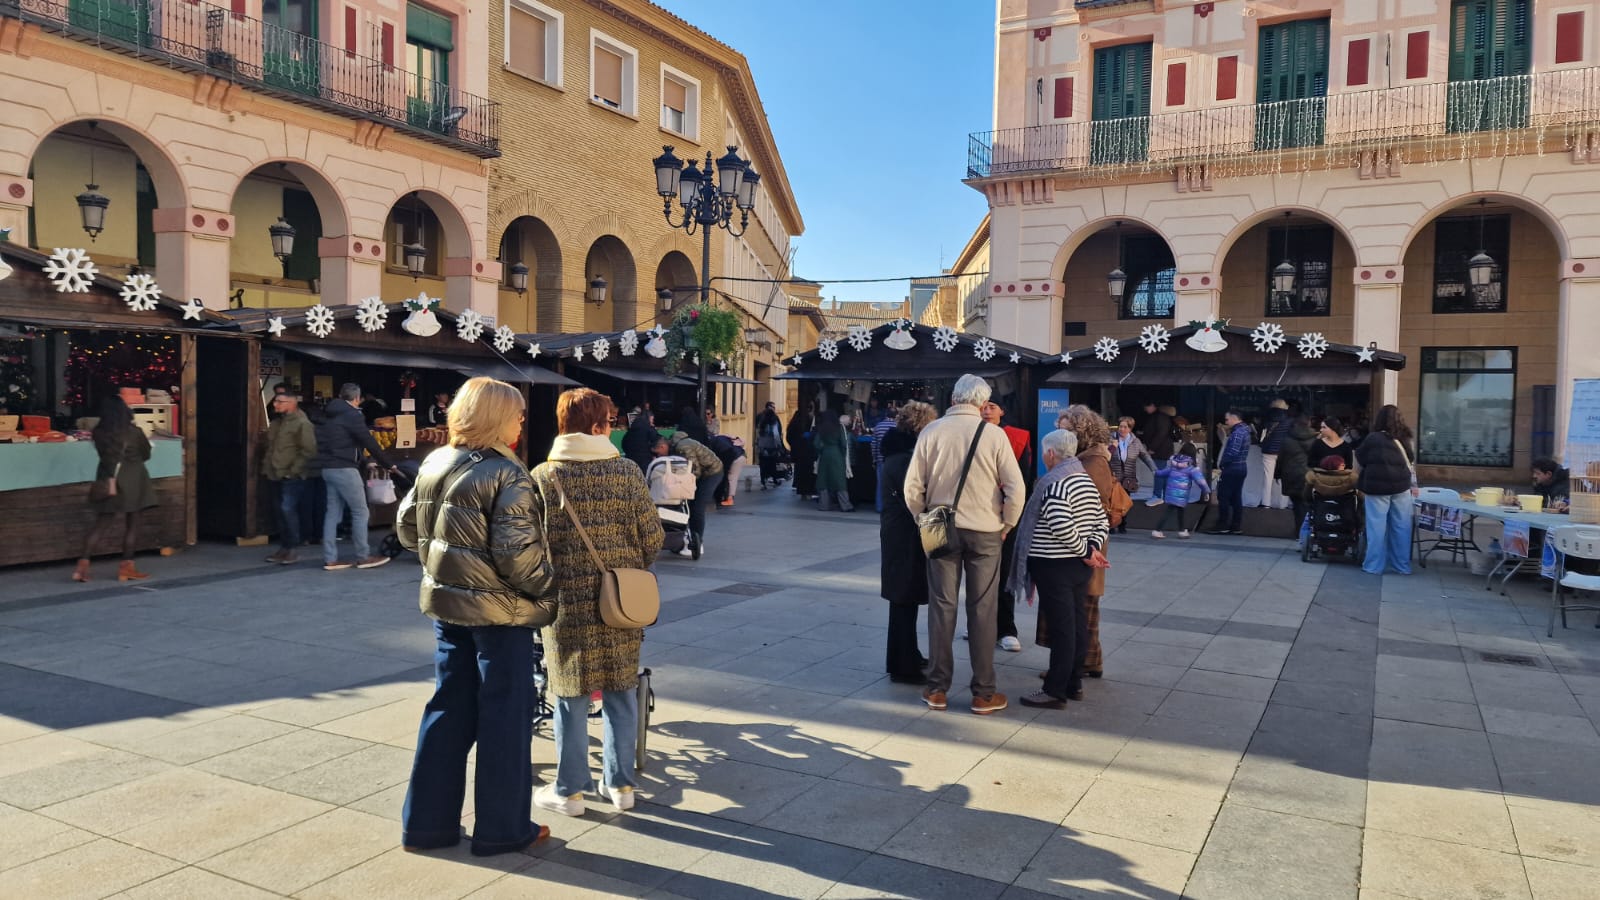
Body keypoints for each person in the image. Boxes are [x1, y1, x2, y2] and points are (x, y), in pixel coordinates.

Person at [396, 377, 556, 857]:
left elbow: (407, 529)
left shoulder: (436, 461)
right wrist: (551, 590)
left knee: (447, 710)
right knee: (505, 718)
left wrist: (447, 563)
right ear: (499, 418)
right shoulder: (507, 473)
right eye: (518, 413)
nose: (523, 421)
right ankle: (503, 829)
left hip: (449, 607)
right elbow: (518, 556)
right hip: (501, 614)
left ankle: (426, 826)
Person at [529, 388, 664, 818]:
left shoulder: (543, 476)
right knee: (621, 689)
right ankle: (621, 784)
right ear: (599, 425)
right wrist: (625, 566)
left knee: (569, 692)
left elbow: (531, 544)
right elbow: (653, 537)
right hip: (620, 598)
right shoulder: (625, 471)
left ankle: (569, 792)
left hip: (565, 601)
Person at [903, 374, 1025, 716]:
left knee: (942, 606)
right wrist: (1007, 523)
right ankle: (983, 693)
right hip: (985, 528)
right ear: (982, 402)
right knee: (983, 609)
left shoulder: (932, 431)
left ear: (955, 397)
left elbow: (913, 487)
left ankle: (937, 688)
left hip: (938, 524)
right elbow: (1015, 488)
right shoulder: (994, 435)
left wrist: (921, 517)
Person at [1014, 429, 1109, 709]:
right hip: (1077, 567)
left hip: (1055, 565)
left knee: (1063, 628)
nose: (1044, 456)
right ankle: (1073, 683)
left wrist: (1083, 551)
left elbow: (1060, 524)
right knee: (1077, 625)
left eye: (1045, 451)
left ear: (1051, 453)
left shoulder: (1055, 483)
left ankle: (1055, 690)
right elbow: (1101, 521)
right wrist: (1091, 550)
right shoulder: (1084, 480)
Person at [879, 401, 938, 684]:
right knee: (903, 598)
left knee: (906, 598)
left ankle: (909, 655)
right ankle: (903, 666)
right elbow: (916, 501)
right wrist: (940, 538)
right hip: (905, 537)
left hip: (901, 535)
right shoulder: (905, 460)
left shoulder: (901, 455)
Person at [1057, 405, 1116, 679]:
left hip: (1084, 544)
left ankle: (1079, 663)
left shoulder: (1093, 462)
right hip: (1082, 543)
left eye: (1067, 430)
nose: (1061, 435)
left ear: (1082, 432)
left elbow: (1096, 507)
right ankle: (1087, 661)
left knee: (1081, 607)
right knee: (1080, 606)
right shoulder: (1085, 459)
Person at [72, 397, 158, 583]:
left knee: (101, 524)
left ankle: (82, 566)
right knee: (132, 524)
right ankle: (127, 568)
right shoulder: (134, 432)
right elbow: (146, 454)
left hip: (107, 481)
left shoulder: (99, 433)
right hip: (133, 480)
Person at [314, 382, 395, 571]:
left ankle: (330, 558)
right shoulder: (352, 415)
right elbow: (368, 441)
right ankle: (363, 556)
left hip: (328, 468)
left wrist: (366, 461)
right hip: (344, 469)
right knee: (360, 511)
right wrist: (388, 463)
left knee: (332, 513)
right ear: (357, 398)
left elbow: (350, 441)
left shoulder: (328, 414)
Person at [981, 400, 1032, 653]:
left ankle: (1006, 628)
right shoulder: (966, 433)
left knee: (1004, 573)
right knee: (977, 575)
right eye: (983, 406)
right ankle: (980, 625)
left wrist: (1011, 518)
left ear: (1002, 410)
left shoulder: (1017, 438)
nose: (987, 410)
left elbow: (1022, 482)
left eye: (992, 406)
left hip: (1006, 518)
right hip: (974, 516)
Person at [1355, 404, 1417, 576]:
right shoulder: (1406, 437)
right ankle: (1402, 566)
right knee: (1402, 526)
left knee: (1376, 527)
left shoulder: (1373, 438)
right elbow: (1411, 461)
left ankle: (1374, 566)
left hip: (1376, 488)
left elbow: (1360, 458)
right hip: (1401, 487)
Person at [264, 391, 318, 564]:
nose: (275, 404)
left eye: (280, 401)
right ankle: (284, 547)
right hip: (274, 473)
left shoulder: (303, 423)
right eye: (275, 401)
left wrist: (293, 470)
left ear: (292, 403)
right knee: (279, 512)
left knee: (288, 510)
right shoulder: (276, 423)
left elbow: (309, 450)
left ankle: (293, 548)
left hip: (291, 475)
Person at [654, 431, 721, 557]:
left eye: (658, 453)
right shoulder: (677, 447)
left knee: (698, 507)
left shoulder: (683, 447)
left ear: (662, 447)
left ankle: (698, 542)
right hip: (705, 473)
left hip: (712, 473)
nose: (658, 456)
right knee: (691, 506)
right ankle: (687, 538)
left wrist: (682, 484)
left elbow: (694, 469)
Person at [1208, 410, 1252, 536]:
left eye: (1227, 419)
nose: (1226, 422)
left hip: (1232, 468)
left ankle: (1222, 524)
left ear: (1234, 418)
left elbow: (1232, 451)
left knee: (1223, 496)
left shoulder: (1237, 433)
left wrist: (1223, 463)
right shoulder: (1245, 431)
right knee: (1236, 497)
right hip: (1241, 467)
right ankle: (1236, 525)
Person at [1274, 413, 1317, 540]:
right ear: (1309, 423)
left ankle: (1299, 531)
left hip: (1291, 475)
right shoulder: (1316, 439)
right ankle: (1308, 531)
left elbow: (1280, 459)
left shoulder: (1287, 439)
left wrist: (1277, 474)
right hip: (1309, 476)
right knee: (1308, 504)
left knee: (1297, 505)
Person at [1150, 455, 1210, 539]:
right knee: (1170, 512)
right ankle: (1157, 530)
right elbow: (1201, 481)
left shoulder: (1172, 468)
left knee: (1179, 511)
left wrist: (1155, 472)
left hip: (1171, 494)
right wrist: (1206, 491)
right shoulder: (1191, 470)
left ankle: (1182, 530)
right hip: (1181, 495)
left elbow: (1161, 473)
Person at [1111, 416, 1154, 532]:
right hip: (1113, 476)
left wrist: (1154, 469)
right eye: (1120, 426)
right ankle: (1111, 525)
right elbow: (1105, 454)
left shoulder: (1135, 442)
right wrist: (1112, 446)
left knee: (1124, 502)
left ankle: (1122, 525)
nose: (1122, 429)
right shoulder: (1111, 439)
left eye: (1125, 427)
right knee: (1112, 502)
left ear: (1130, 429)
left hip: (1128, 478)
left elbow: (1145, 456)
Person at [813, 412, 854, 512]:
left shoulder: (821, 428)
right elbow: (844, 444)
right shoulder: (839, 427)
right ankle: (845, 506)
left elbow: (816, 444)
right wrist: (844, 456)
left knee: (824, 480)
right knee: (840, 481)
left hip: (825, 456)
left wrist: (822, 449)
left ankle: (824, 505)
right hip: (837, 455)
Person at [1258, 399, 1291, 509]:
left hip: (1268, 451)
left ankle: (1266, 502)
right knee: (1283, 478)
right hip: (1283, 452)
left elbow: (1260, 434)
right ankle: (1283, 504)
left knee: (1267, 477)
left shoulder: (1266, 419)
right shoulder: (1288, 421)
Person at [787, 403, 818, 499]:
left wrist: (794, 447)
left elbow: (789, 436)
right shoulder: (808, 421)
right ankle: (807, 492)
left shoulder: (795, 421)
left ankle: (802, 491)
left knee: (800, 470)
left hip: (798, 451)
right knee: (807, 472)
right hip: (806, 452)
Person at [870, 408, 897, 513]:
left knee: (880, 484)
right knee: (894, 485)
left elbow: (873, 445)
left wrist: (874, 459)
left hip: (881, 460)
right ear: (896, 415)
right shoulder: (898, 427)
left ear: (886, 414)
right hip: (894, 460)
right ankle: (892, 507)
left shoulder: (878, 426)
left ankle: (880, 507)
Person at [755, 403, 786, 489]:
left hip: (762, 447)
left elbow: (758, 435)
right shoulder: (773, 423)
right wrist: (780, 446)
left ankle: (763, 482)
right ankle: (775, 479)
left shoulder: (762, 424)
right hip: (771, 447)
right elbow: (776, 435)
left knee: (763, 465)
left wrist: (758, 444)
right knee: (772, 464)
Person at [621, 407, 659, 475]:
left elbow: (624, 444)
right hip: (645, 462)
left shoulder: (631, 430)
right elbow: (656, 442)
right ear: (649, 418)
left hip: (630, 462)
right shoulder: (649, 429)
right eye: (652, 419)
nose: (653, 421)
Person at [1140, 402, 1175, 469]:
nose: (1145, 409)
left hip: (1161, 452)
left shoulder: (1160, 416)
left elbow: (1161, 433)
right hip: (1159, 451)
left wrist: (1152, 448)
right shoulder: (1157, 416)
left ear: (1152, 405)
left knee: (1159, 473)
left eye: (1146, 407)